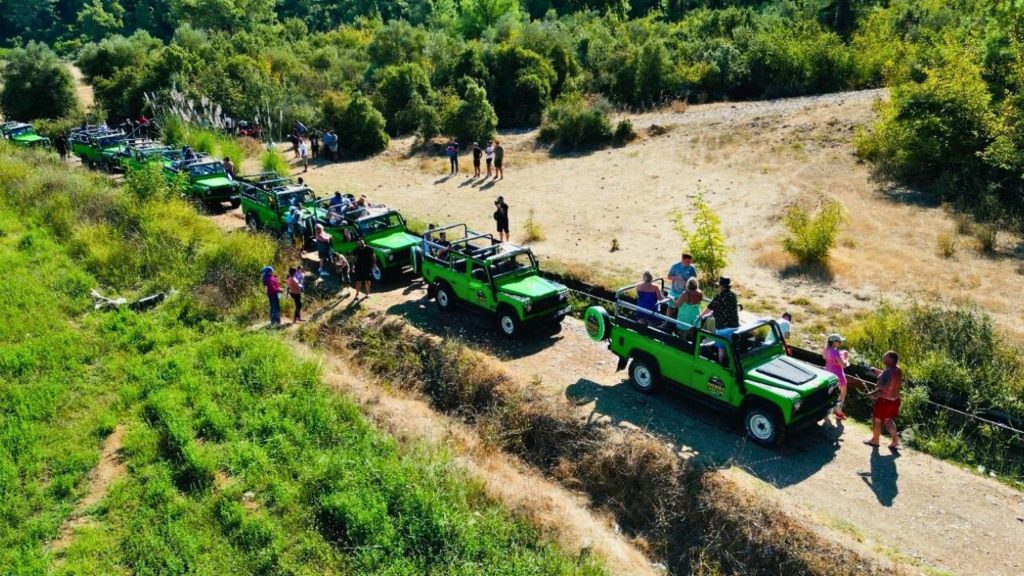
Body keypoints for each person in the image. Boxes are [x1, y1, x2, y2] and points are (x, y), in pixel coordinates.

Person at [866, 351, 903, 450]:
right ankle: (895, 442)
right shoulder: (898, 369)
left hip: (884, 401)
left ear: (891, 359)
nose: (883, 358)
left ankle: (875, 441)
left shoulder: (887, 371)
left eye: (885, 357)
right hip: (895, 400)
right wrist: (876, 371)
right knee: (888, 420)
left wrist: (871, 394)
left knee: (877, 420)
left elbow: (883, 388)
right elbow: (888, 377)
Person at [824, 334, 850, 421]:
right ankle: (838, 412)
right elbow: (843, 365)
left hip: (828, 373)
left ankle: (826, 411)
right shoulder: (835, 351)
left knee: (829, 394)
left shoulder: (826, 349)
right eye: (839, 341)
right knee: (842, 394)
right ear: (834, 342)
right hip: (838, 375)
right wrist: (846, 359)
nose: (840, 343)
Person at [666, 253, 698, 318]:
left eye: (690, 261)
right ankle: (667, 321)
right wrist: (676, 277)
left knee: (682, 308)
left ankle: (679, 323)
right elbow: (669, 277)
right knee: (670, 307)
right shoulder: (675, 266)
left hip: (686, 293)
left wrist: (685, 281)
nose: (689, 263)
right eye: (687, 261)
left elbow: (694, 280)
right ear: (682, 259)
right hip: (674, 291)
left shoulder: (692, 268)